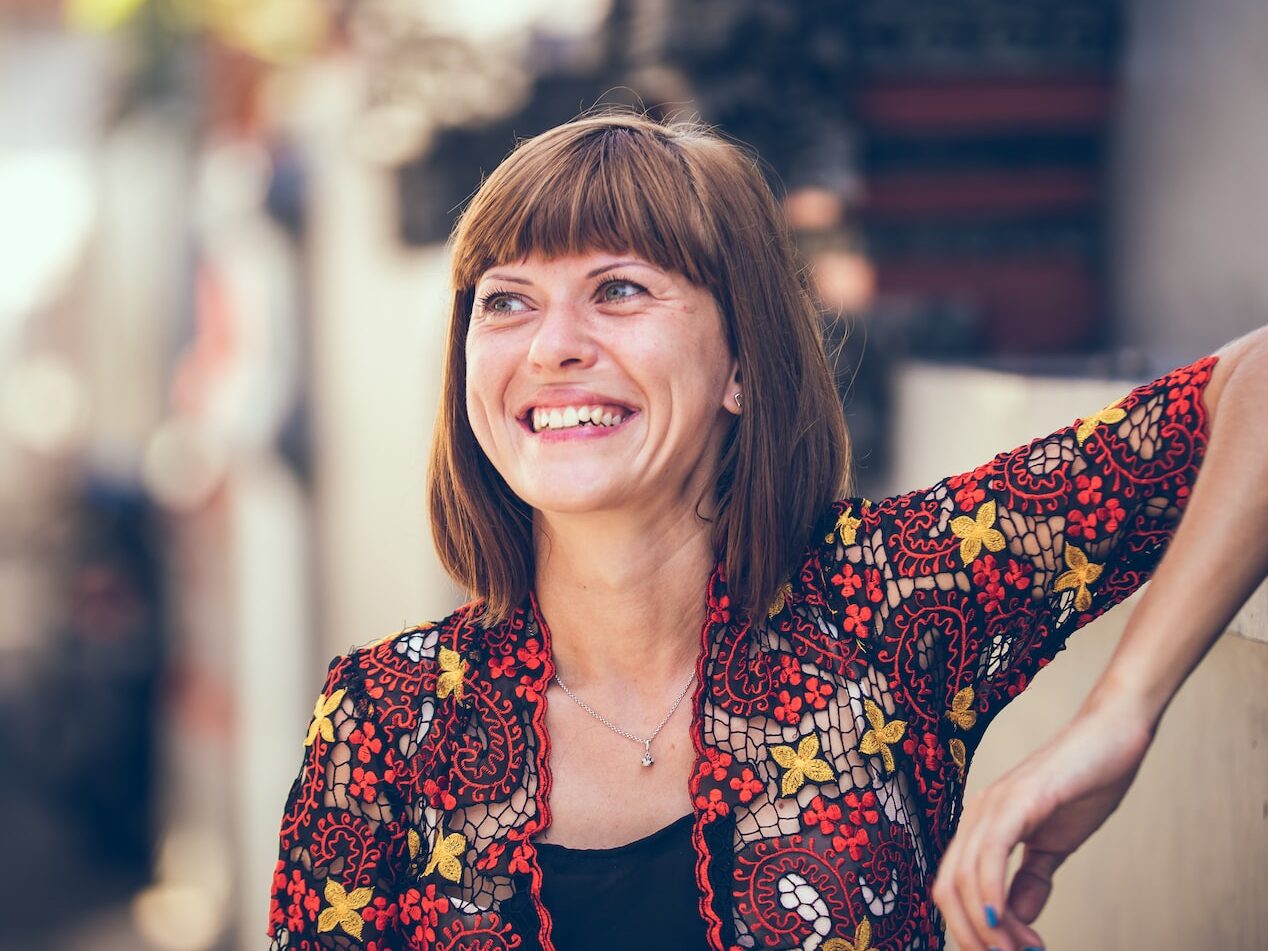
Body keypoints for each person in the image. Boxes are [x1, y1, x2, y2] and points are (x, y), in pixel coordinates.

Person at [267, 113, 1268, 951]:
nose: (553, 347)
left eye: (617, 289)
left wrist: (1118, 715)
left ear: (739, 364)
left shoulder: (884, 603)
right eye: (506, 303)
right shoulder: (384, 726)